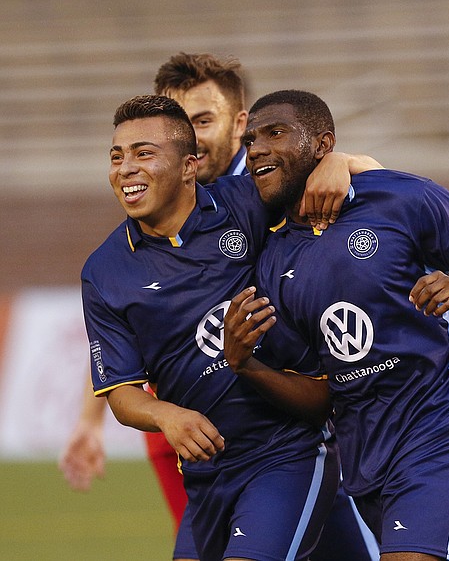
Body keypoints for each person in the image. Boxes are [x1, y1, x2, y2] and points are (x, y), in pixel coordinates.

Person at [62, 52, 380, 561]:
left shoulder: (250, 198)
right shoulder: (104, 271)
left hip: (288, 447)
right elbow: (119, 381)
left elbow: (383, 188)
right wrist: (162, 416)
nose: (126, 169)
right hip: (206, 469)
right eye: (116, 156)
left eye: (143, 153)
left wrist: (338, 162)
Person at [222, 89, 449, 561]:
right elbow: (322, 396)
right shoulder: (272, 259)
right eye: (251, 140)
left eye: (276, 133)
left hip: (440, 431)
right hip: (366, 459)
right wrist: (246, 365)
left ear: (322, 144)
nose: (257, 149)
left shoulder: (400, 197)